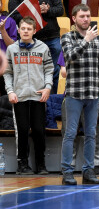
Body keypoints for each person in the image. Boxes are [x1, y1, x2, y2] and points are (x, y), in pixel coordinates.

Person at [61, 4, 99, 185]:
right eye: (82, 16)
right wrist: (85, 41)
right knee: (70, 134)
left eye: (88, 16)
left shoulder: (97, 40)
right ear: (74, 18)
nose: (86, 19)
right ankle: (67, 171)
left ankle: (88, 171)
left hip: (92, 95)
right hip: (74, 94)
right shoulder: (67, 37)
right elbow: (70, 58)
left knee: (91, 134)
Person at [4, 16, 53, 175]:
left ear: (34, 31)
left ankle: (41, 164)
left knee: (39, 130)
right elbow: (7, 73)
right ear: (18, 30)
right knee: (23, 130)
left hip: (39, 96)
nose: (25, 31)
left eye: (29, 29)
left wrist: (47, 88)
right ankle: (22, 164)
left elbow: (49, 70)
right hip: (19, 96)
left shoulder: (43, 47)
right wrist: (10, 91)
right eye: (23, 28)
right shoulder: (11, 49)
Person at [8, 0, 63, 94]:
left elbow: (60, 9)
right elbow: (14, 16)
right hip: (30, 41)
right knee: (33, 73)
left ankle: (51, 100)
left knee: (54, 71)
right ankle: (35, 99)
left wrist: (48, 10)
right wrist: (33, 12)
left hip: (52, 37)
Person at [58, 52, 99, 175]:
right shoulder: (67, 47)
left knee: (93, 132)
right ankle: (68, 164)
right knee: (68, 132)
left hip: (91, 96)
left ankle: (95, 164)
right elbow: (63, 72)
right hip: (71, 95)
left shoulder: (97, 48)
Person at [0, 0, 17, 96]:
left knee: (7, 96)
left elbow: (13, 46)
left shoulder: (9, 21)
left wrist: (3, 31)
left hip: (6, 65)